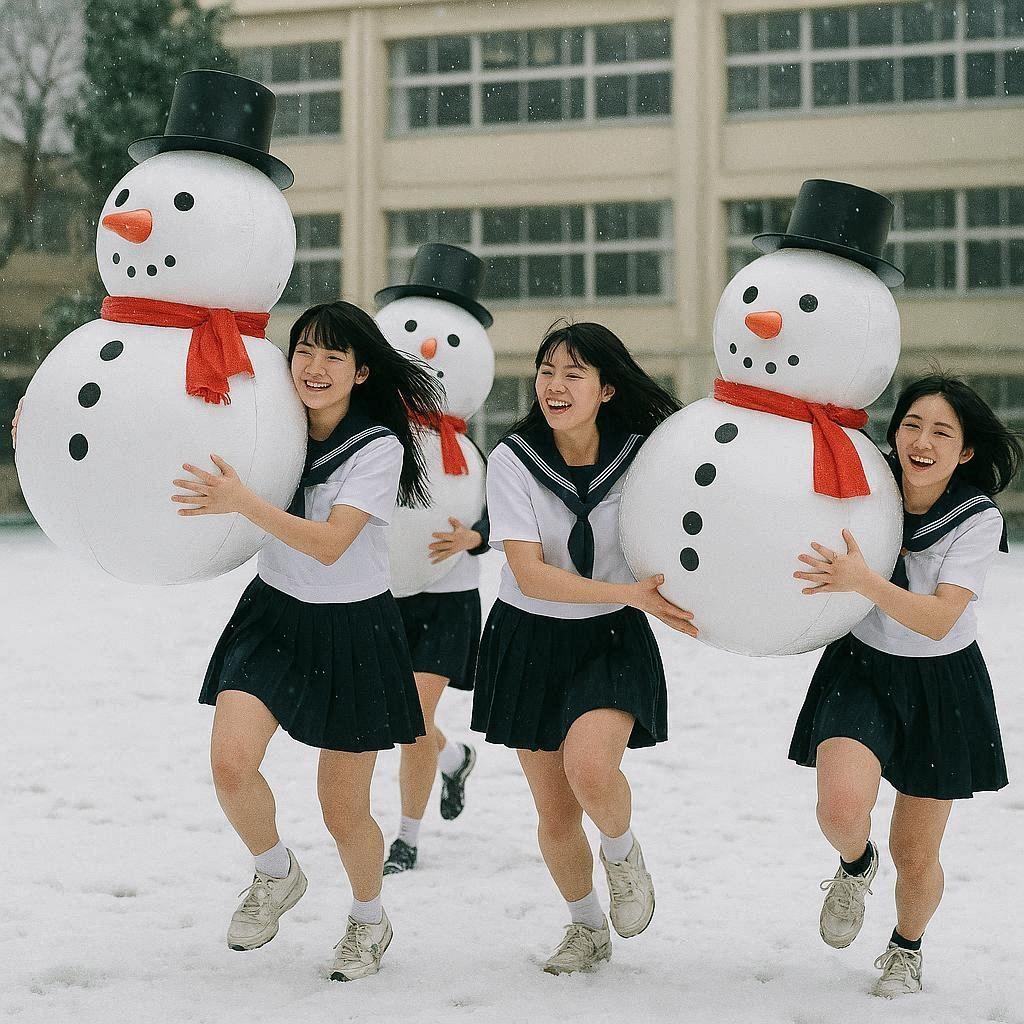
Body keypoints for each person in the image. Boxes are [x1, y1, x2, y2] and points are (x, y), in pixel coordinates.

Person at [171, 300, 444, 981]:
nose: (314, 369)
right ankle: (274, 874)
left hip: (354, 630)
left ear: (360, 372)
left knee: (342, 809)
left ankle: (368, 921)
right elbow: (169, 428)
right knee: (231, 765)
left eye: (332, 357)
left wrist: (247, 503)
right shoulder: (273, 421)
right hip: (273, 617)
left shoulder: (378, 444)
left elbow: (329, 545)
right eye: (304, 352)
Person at [471, 320, 697, 975]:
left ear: (605, 389)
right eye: (547, 371)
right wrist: (630, 595)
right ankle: (586, 926)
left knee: (591, 770)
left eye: (574, 373)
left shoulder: (643, 453)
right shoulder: (515, 457)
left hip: (610, 638)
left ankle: (622, 854)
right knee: (555, 811)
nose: (555, 385)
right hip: (530, 635)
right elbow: (530, 570)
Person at [790, 373, 1022, 998]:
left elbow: (940, 616)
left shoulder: (975, 519)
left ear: (965, 451)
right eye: (912, 426)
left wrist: (861, 581)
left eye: (942, 432)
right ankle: (855, 865)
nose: (922, 441)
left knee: (916, 853)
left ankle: (905, 948)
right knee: (840, 809)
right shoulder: (868, 489)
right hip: (861, 667)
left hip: (941, 682)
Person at [384, 507, 489, 875]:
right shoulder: (385, 448)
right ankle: (454, 759)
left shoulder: (479, 449)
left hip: (450, 598)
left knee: (413, 717)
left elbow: (508, 509)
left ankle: (406, 839)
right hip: (391, 592)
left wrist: (476, 537)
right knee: (406, 715)